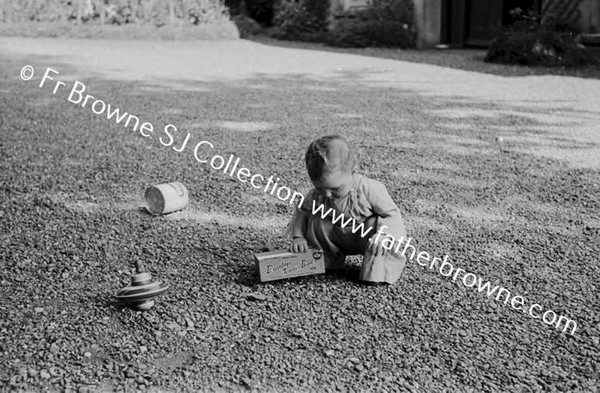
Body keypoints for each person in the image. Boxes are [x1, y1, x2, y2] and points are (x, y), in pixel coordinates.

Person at [286, 135, 407, 284]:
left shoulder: (368, 188)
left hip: (364, 235)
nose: (327, 194)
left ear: (352, 171)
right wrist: (298, 237)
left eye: (334, 188)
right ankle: (326, 260)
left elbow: (392, 214)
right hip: (335, 235)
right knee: (317, 222)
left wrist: (384, 235)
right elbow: (302, 211)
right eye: (319, 188)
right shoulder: (317, 196)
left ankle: (377, 271)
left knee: (379, 232)